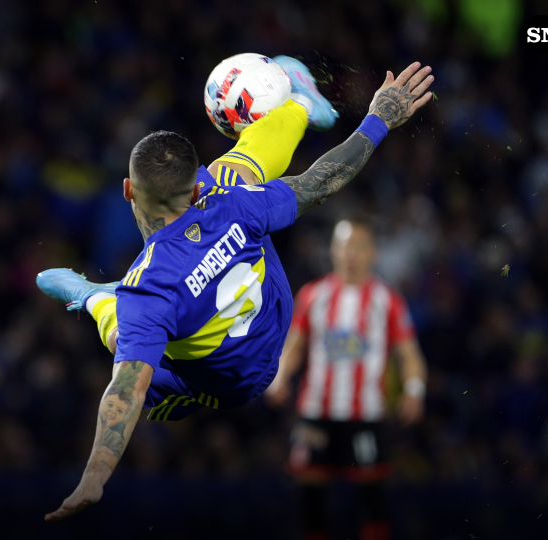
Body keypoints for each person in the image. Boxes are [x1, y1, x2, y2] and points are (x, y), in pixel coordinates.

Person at [38, 60, 435, 522]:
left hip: (234, 382)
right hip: (274, 313)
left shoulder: (148, 293)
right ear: (192, 185)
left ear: (128, 191)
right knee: (238, 176)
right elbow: (320, 182)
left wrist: (94, 477)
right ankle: (295, 106)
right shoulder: (228, 202)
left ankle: (90, 296)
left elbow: (124, 393)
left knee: (124, 329)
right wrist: (379, 119)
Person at [264, 218, 428, 540]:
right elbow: (294, 348)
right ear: (333, 251)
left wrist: (414, 390)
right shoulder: (314, 295)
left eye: (357, 246)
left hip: (365, 415)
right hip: (316, 412)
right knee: (310, 495)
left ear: (373, 253)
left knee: (372, 498)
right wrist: (279, 377)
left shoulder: (387, 301)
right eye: (343, 246)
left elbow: (409, 356)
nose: (349, 254)